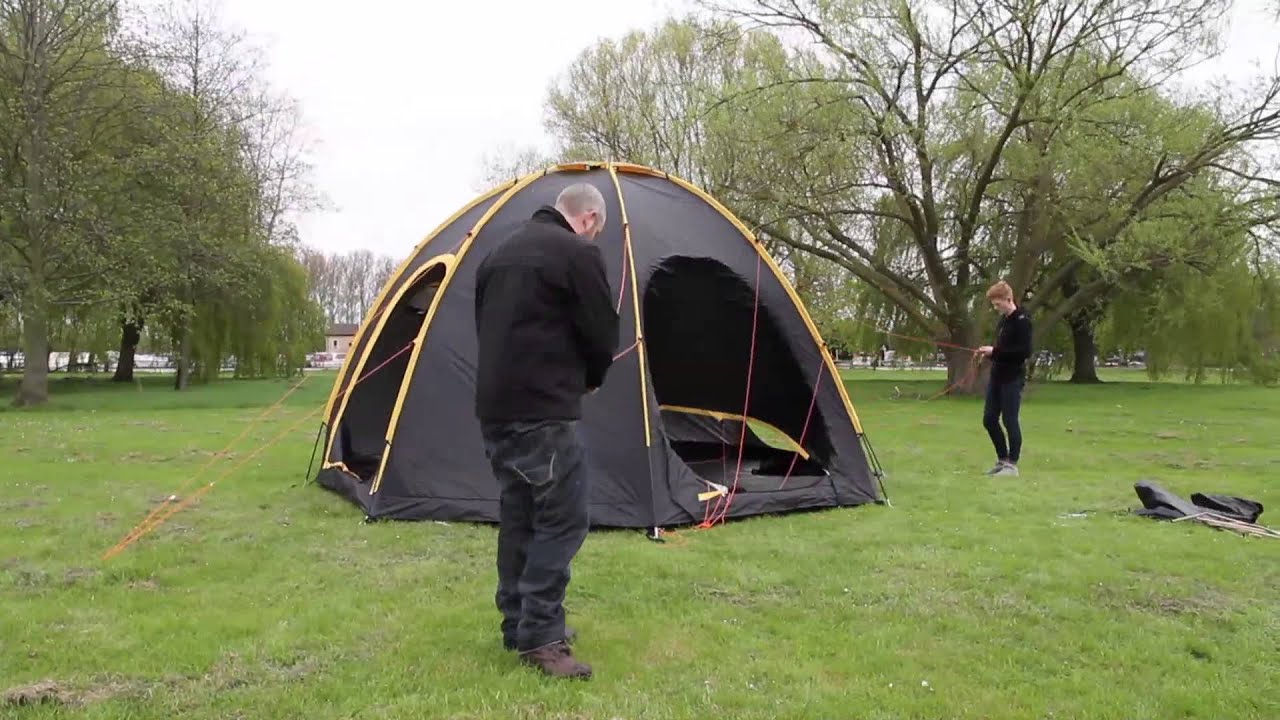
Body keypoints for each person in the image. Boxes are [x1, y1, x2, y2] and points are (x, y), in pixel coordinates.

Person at [472, 183, 619, 680]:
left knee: (520, 515)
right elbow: (602, 331)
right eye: (598, 226)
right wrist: (590, 379)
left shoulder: (495, 254)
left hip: (496, 409)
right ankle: (542, 636)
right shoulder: (577, 254)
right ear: (590, 218)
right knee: (561, 521)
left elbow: (484, 327)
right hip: (545, 412)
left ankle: (517, 624)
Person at [976, 280, 1032, 477]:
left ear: (1008, 299)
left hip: (1012, 378)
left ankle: (1012, 465)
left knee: (1010, 420)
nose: (996, 308)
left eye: (998, 304)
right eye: (994, 304)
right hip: (997, 376)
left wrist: (996, 352)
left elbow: (1023, 352)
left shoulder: (1022, 321)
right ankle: (1002, 460)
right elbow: (1001, 349)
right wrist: (990, 353)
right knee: (989, 419)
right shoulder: (1004, 321)